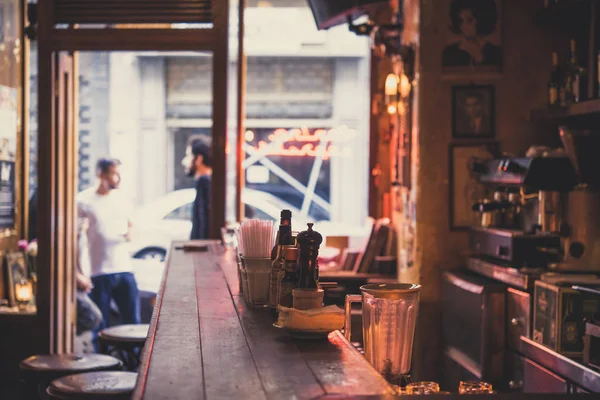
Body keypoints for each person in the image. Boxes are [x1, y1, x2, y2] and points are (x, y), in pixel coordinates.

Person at [77, 158, 140, 348]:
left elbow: (131, 223)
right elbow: (72, 240)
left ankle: (134, 367)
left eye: (119, 173)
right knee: (101, 329)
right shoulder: (83, 201)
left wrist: (130, 232)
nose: (118, 178)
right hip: (99, 272)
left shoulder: (122, 198)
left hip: (124, 268)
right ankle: (103, 371)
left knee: (133, 326)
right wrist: (77, 273)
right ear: (100, 174)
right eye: (114, 173)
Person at [442, 0, 502, 67]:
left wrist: (478, 56)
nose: (463, 25)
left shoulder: (496, 53)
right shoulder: (450, 52)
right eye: (461, 20)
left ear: (482, 20)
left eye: (469, 20)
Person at [182, 139, 212, 240]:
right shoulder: (206, 180)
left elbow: (203, 222)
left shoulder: (204, 181)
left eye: (189, 155)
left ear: (199, 159)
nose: (184, 161)